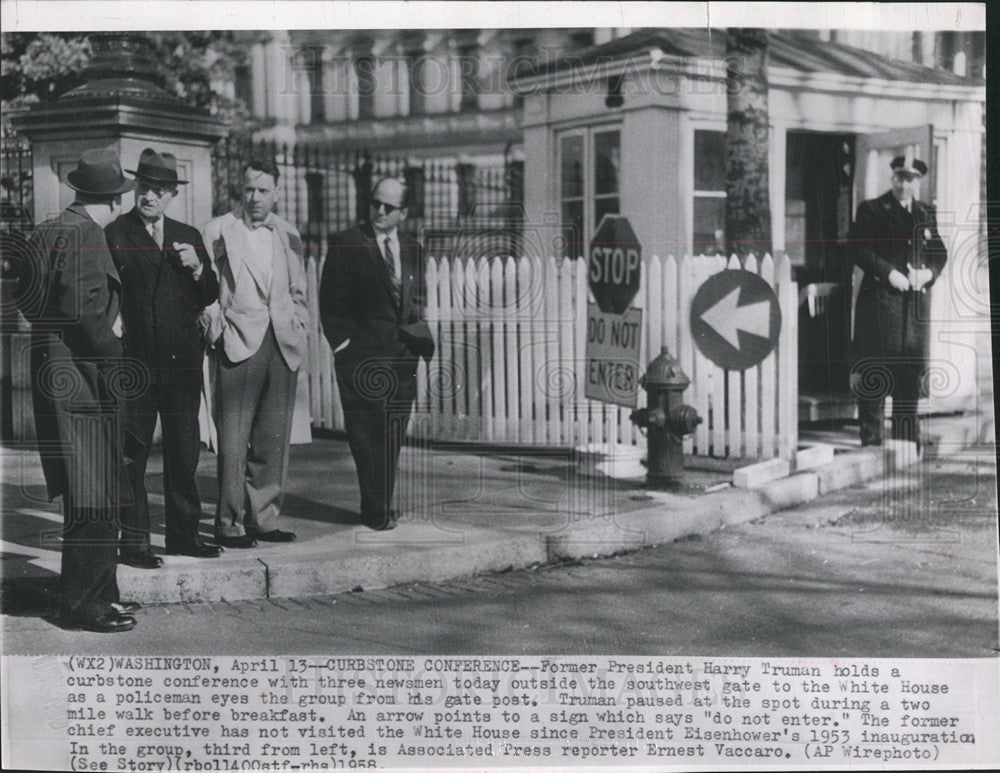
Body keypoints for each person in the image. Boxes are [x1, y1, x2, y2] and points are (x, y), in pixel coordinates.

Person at [28, 147, 140, 632]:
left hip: (57, 372)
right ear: (113, 200)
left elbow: (25, 295)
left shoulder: (49, 228)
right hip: (85, 378)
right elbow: (85, 308)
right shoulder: (88, 233)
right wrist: (113, 352)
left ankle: (99, 594)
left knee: (86, 489)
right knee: (95, 491)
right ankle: (84, 606)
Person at [105, 149, 222, 567]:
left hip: (181, 364)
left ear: (173, 194)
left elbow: (209, 294)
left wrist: (196, 269)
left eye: (158, 190)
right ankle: (135, 544)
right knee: (132, 454)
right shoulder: (116, 232)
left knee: (183, 450)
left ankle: (184, 536)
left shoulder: (188, 234)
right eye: (143, 188)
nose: (149, 196)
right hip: (136, 364)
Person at [199, 157, 308, 548]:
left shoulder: (288, 233)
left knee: (272, 437)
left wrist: (299, 322)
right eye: (248, 189)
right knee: (233, 437)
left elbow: (299, 289)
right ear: (239, 190)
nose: (255, 197)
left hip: (282, 342)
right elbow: (203, 288)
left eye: (263, 190)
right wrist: (216, 325)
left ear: (276, 193)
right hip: (238, 341)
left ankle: (264, 517)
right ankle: (228, 522)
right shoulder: (217, 230)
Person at [320, 177, 435, 531]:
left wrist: (415, 338)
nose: (379, 212)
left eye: (388, 207)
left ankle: (381, 503)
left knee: (394, 432)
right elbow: (330, 305)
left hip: (403, 359)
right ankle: (374, 508)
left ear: (402, 212)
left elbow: (416, 300)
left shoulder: (413, 248)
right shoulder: (347, 243)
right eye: (375, 204)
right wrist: (344, 348)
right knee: (366, 434)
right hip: (362, 358)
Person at [850, 156, 948, 449]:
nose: (904, 184)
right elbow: (858, 249)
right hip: (880, 303)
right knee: (874, 371)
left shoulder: (925, 213)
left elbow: (939, 252)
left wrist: (928, 273)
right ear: (892, 178)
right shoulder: (872, 210)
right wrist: (888, 272)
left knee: (910, 371)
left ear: (917, 182)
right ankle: (872, 439)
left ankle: (907, 438)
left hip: (914, 308)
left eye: (911, 179)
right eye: (899, 178)